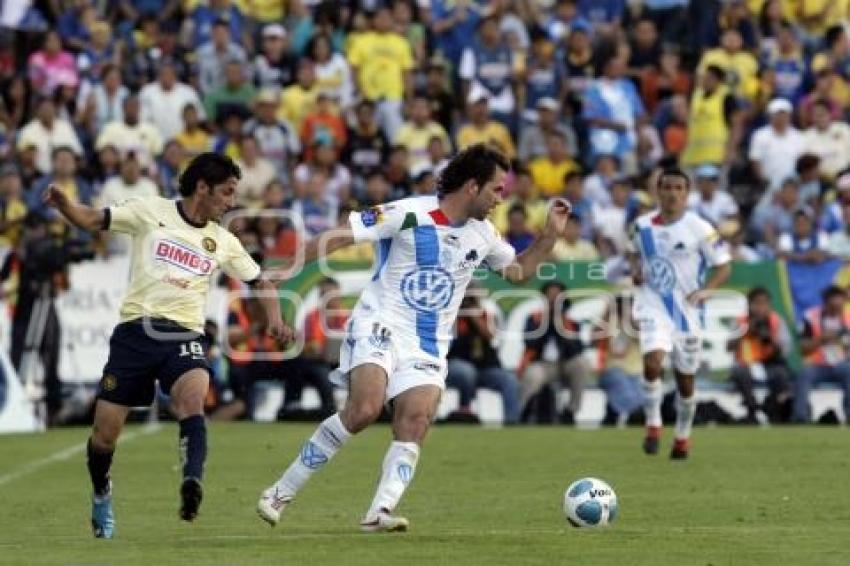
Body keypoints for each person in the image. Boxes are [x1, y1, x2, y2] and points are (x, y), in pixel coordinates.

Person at [256, 144, 571, 532]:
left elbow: (519, 273)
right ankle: (279, 493)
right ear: (472, 186)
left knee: (417, 419)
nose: (500, 199)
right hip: (379, 323)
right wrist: (289, 269)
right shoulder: (407, 213)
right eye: (497, 189)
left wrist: (548, 237)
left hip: (427, 343)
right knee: (364, 410)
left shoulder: (484, 235)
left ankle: (379, 512)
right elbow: (340, 235)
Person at [41, 153, 291, 538]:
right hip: (135, 334)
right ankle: (101, 490)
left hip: (184, 335)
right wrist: (64, 206)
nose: (231, 202)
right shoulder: (148, 210)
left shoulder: (223, 241)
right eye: (226, 192)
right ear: (202, 188)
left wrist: (274, 319)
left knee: (193, 399)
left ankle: (192, 482)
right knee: (105, 435)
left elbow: (262, 283)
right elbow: (92, 219)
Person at [628, 166, 731, 459]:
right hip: (653, 306)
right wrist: (636, 271)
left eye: (678, 188)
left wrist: (707, 290)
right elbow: (633, 254)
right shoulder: (641, 226)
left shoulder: (700, 228)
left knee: (686, 381)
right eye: (667, 187)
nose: (672, 193)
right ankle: (653, 425)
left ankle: (682, 436)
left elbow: (724, 265)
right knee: (652, 363)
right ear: (658, 191)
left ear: (687, 194)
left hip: (687, 312)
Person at [517, 281, 589, 425]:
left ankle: (571, 411)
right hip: (541, 363)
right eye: (550, 295)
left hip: (565, 363)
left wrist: (560, 325)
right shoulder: (534, 318)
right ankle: (525, 412)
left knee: (581, 364)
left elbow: (577, 348)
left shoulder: (570, 322)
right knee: (533, 375)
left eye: (557, 295)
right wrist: (547, 323)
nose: (554, 299)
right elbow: (529, 342)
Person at [445, 290, 521, 425]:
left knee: (509, 380)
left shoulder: (485, 315)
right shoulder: (449, 315)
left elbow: (491, 337)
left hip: (485, 367)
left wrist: (475, 317)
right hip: (455, 366)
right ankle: (465, 410)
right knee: (466, 371)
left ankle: (512, 422)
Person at [727, 287, 793, 424]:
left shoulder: (776, 321)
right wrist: (745, 331)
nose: (760, 308)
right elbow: (729, 347)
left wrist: (769, 339)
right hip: (745, 364)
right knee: (740, 373)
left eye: (764, 303)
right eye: (756, 303)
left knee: (781, 374)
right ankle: (752, 409)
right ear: (749, 305)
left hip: (768, 364)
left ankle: (773, 409)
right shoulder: (741, 322)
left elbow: (785, 350)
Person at [794, 285, 850, 423]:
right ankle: (801, 416)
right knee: (804, 374)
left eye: (840, 305)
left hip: (842, 364)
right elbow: (802, 347)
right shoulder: (810, 317)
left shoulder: (848, 319)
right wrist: (821, 340)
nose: (837, 308)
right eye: (833, 306)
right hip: (817, 364)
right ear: (825, 302)